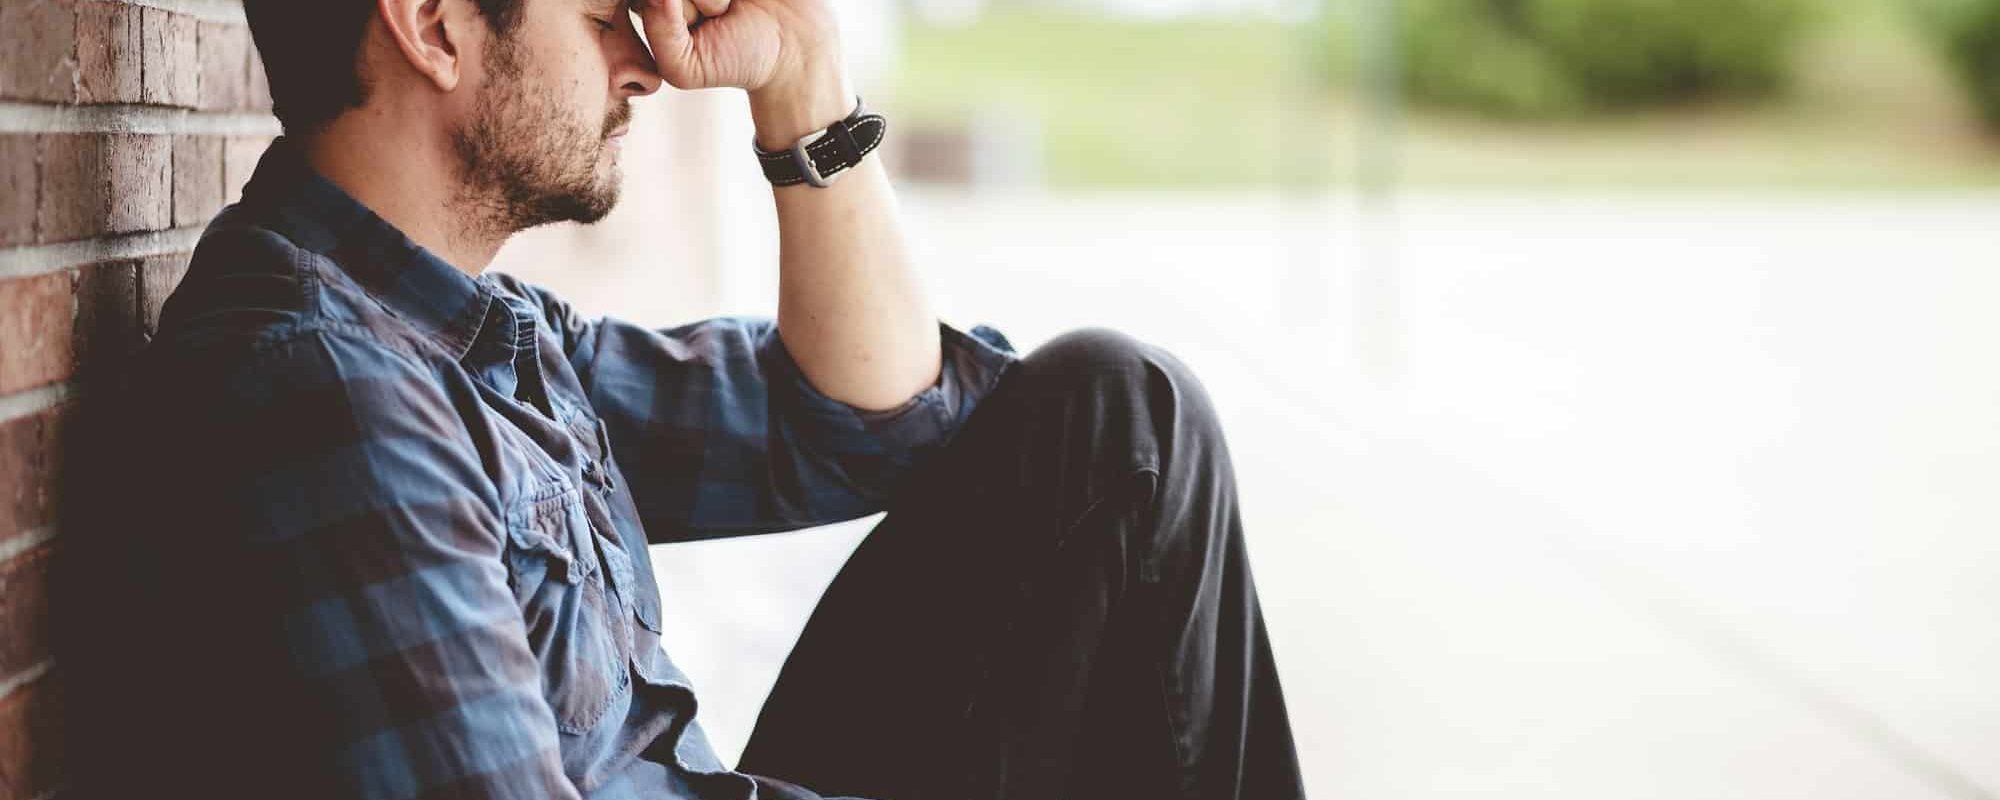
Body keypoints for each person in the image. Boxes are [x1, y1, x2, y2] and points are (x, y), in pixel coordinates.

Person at [66, 0, 1303, 797]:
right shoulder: (326, 393)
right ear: (435, 25)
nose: (647, 62)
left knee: (1116, 419)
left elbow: (871, 419)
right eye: (602, 13)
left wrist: (803, 83)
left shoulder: (474, 330)